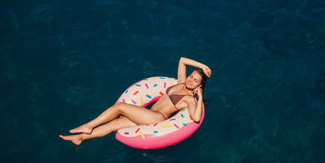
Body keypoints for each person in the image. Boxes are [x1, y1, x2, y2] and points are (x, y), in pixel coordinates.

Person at [59, 57, 211, 145]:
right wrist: (202, 66)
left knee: (119, 107)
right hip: (148, 114)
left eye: (195, 80)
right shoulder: (180, 82)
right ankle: (81, 138)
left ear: (199, 85)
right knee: (114, 124)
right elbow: (182, 60)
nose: (190, 80)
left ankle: (88, 125)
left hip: (156, 117)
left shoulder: (189, 99)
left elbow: (196, 117)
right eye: (191, 76)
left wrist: (201, 94)